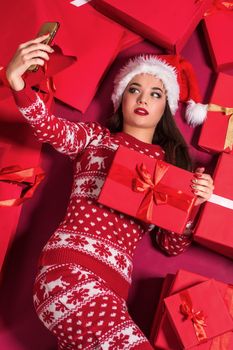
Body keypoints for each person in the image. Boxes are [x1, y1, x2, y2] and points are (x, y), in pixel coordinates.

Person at [5, 34, 214, 349]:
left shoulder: (172, 171)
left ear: (166, 108)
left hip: (113, 293)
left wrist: (194, 203)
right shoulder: (95, 138)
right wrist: (17, 83)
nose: (143, 99)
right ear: (121, 98)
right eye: (135, 89)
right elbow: (49, 128)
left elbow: (171, 244)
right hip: (69, 273)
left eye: (155, 94)